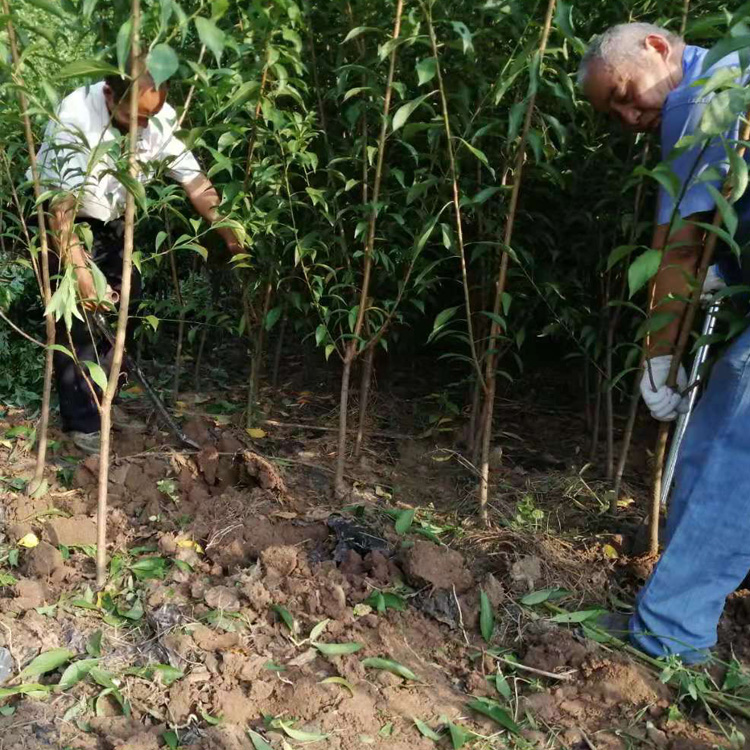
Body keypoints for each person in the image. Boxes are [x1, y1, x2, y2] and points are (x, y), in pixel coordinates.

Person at [578, 23, 750, 663]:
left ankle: (670, 634)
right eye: (612, 112)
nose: (628, 115)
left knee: (737, 441)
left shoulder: (700, 95)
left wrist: (657, 360)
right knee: (722, 417)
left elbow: (678, 243)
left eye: (624, 93)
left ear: (656, 46)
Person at [32, 64, 242, 454]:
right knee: (81, 319)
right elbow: (60, 214)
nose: (144, 127)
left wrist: (231, 233)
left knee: (123, 302)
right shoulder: (74, 119)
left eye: (151, 117)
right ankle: (82, 423)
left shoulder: (155, 116)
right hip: (68, 217)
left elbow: (195, 182)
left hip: (114, 217)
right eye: (135, 118)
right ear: (110, 97)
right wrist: (81, 278)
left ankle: (102, 401)